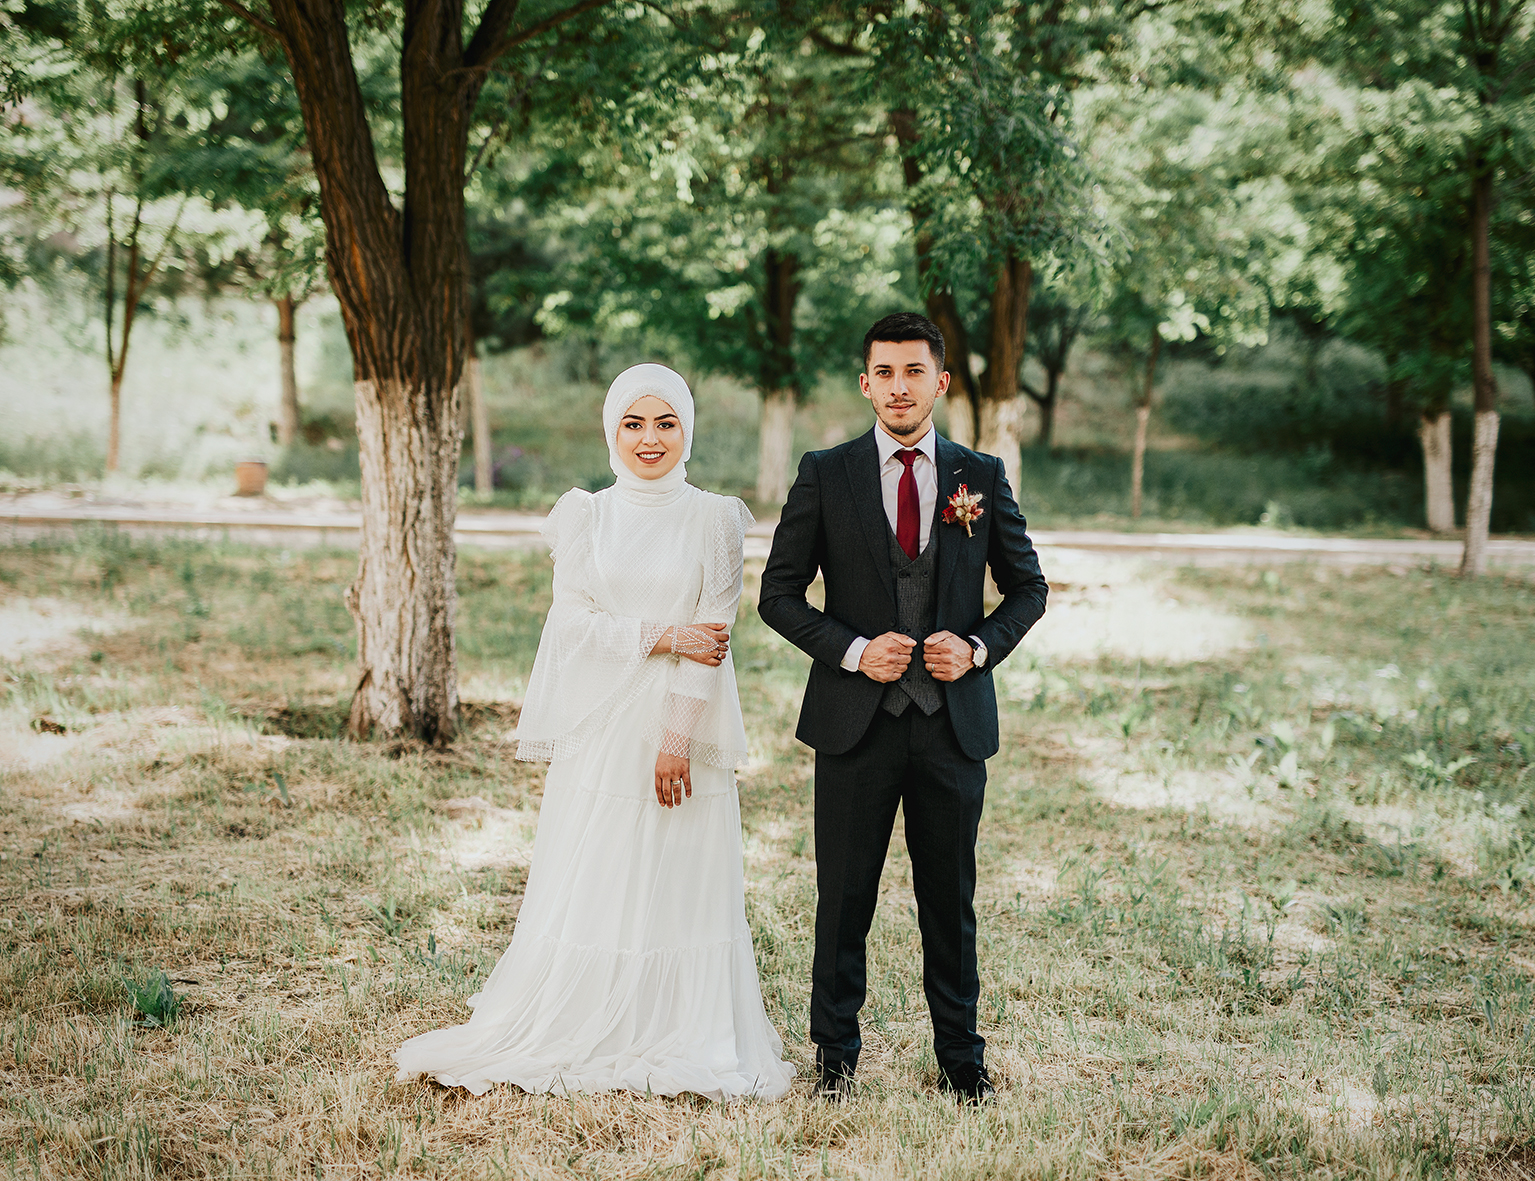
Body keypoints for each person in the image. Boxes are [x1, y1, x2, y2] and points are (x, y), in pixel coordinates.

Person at [394, 364, 794, 1102]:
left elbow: (712, 638)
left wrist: (676, 741)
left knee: (676, 877)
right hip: (602, 730)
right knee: (599, 876)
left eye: (665, 423)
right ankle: (586, 1014)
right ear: (612, 431)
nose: (650, 439)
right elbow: (570, 622)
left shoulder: (714, 519)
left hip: (680, 728)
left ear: (687, 429)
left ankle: (675, 1024)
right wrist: (660, 633)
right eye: (633, 424)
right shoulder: (586, 514)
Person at [758, 312, 1048, 1105]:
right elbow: (778, 594)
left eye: (913, 371)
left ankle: (961, 1060)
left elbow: (1028, 588)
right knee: (842, 899)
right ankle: (834, 1060)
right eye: (883, 372)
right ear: (865, 384)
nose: (898, 386)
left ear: (940, 382)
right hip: (854, 726)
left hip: (952, 726)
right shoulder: (826, 473)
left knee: (949, 902)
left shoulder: (979, 475)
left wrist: (977, 647)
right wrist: (854, 650)